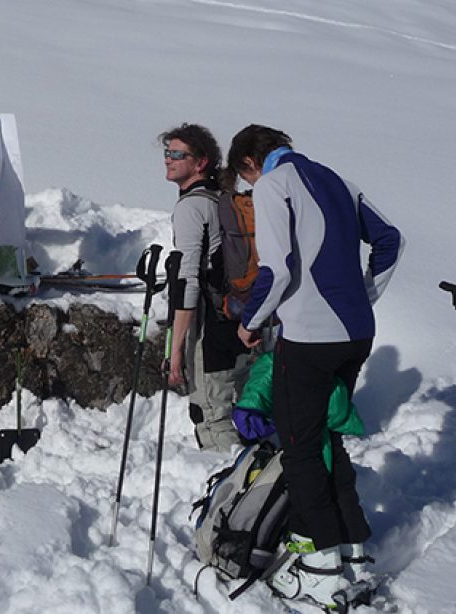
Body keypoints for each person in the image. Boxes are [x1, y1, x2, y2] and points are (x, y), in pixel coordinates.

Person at [228, 124, 403, 607]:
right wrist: (361, 298)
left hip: (309, 338)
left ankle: (318, 563)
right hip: (356, 333)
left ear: (249, 162)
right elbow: (390, 240)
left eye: (243, 177)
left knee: (301, 447)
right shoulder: (336, 180)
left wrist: (250, 320)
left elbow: (278, 267)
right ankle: (354, 549)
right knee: (329, 438)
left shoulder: (271, 184)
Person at [161, 123, 251, 452]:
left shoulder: (191, 207)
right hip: (241, 323)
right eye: (167, 153)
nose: (168, 160)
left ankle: (230, 495)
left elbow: (188, 282)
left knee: (213, 417)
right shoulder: (222, 199)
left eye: (176, 154)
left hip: (210, 332)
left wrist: (175, 355)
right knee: (241, 412)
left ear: (201, 162)